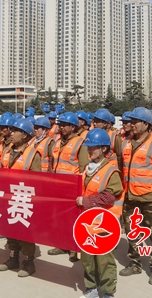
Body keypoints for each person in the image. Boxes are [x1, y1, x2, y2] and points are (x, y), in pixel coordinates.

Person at [119, 107, 152, 286]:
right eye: (131, 121)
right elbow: (121, 166)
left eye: (135, 122)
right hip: (130, 197)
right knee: (132, 233)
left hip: (151, 198)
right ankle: (135, 264)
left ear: (146, 125)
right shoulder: (126, 142)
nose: (132, 125)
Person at [77, 128, 123, 298]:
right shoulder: (87, 169)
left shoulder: (111, 171)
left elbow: (110, 195)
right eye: (88, 148)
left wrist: (87, 202)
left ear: (104, 148)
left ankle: (108, 292)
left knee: (104, 260)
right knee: (87, 258)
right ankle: (91, 288)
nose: (89, 151)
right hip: (87, 220)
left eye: (93, 147)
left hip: (105, 222)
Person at [0, 119, 41, 277]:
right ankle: (13, 258)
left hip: (24, 199)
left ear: (25, 135)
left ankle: (29, 262)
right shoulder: (7, 150)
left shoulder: (32, 154)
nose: (12, 133)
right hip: (7, 196)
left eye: (16, 131)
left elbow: (37, 181)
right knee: (10, 229)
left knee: (25, 232)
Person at [48, 111, 89, 262]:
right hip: (58, 187)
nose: (62, 127)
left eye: (65, 125)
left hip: (72, 188)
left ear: (73, 127)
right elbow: (53, 163)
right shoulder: (58, 142)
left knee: (73, 219)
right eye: (61, 125)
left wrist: (81, 189)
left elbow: (84, 167)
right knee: (60, 218)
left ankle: (74, 248)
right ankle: (62, 244)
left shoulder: (80, 143)